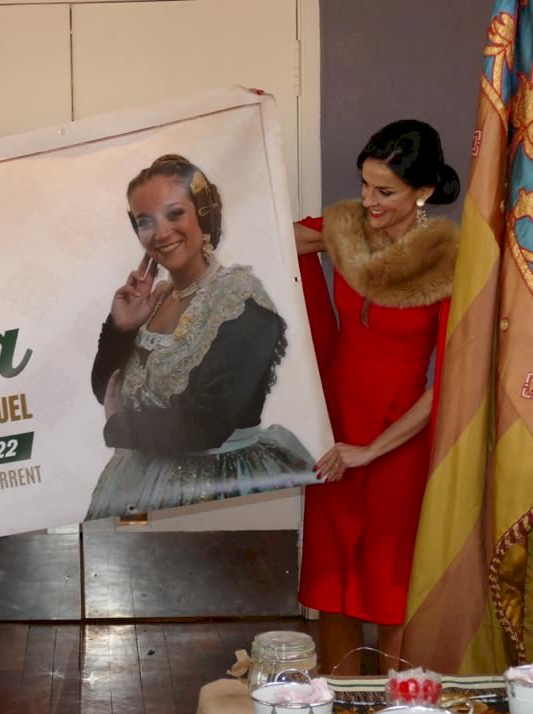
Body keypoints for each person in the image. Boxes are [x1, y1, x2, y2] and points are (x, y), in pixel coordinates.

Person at [295, 120, 461, 674]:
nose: (368, 201)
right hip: (334, 425)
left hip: (399, 438)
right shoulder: (348, 228)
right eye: (364, 185)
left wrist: (370, 450)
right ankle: (339, 706)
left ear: (423, 192)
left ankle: (398, 710)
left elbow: (449, 381)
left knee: (390, 583)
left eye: (385, 191)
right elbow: (274, 237)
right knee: (332, 577)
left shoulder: (449, 261)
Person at [86, 154, 315, 520]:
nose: (161, 233)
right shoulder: (154, 299)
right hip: (139, 481)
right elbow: (107, 390)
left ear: (203, 215)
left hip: (217, 488)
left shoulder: (240, 303)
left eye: (174, 214)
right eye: (146, 221)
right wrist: (121, 329)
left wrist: (119, 426)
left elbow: (206, 424)